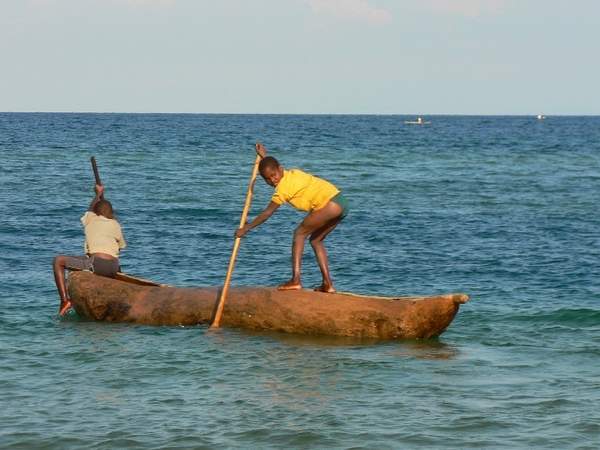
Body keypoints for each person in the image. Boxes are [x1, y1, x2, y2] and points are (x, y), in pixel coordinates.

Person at [236, 143, 349, 293]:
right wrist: (264, 156)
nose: (273, 180)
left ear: (280, 170)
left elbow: (267, 213)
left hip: (330, 204)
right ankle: (328, 284)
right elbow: (273, 166)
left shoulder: (282, 189)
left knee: (299, 234)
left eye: (274, 176)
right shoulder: (289, 174)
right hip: (342, 203)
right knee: (315, 240)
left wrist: (246, 228)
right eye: (268, 179)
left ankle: (295, 280)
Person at [53, 184, 126, 316]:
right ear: (111, 213)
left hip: (97, 264)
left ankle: (64, 301)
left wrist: (97, 194)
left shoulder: (91, 219)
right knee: (87, 258)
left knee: (58, 261)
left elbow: (89, 210)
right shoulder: (116, 224)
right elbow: (120, 248)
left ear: (96, 213)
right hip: (114, 266)